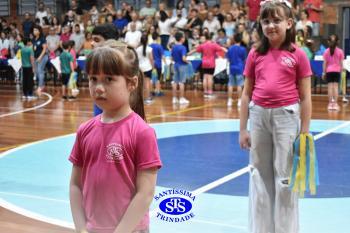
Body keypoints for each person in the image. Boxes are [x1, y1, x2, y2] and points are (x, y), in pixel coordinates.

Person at [69, 42, 162, 233]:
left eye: (109, 79)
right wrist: (80, 228)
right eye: (93, 79)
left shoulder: (142, 132)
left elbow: (145, 193)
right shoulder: (85, 130)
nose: (98, 88)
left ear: (132, 83)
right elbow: (75, 185)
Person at [239, 1, 312, 233]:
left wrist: (305, 133)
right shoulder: (255, 54)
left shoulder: (298, 55)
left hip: (287, 118)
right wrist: (243, 128)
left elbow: (306, 98)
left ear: (289, 23)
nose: (271, 26)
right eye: (266, 21)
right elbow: (245, 94)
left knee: (285, 179)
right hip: (258, 116)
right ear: (260, 24)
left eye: (277, 20)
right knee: (259, 176)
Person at [91, 23, 120, 116]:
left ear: (110, 42)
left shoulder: (121, 65)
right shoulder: (96, 61)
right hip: (100, 113)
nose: (92, 43)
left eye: (96, 40)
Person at [188, 32, 227, 98]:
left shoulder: (203, 45)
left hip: (204, 63)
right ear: (211, 38)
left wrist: (188, 54)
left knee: (205, 78)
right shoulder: (214, 45)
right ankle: (210, 91)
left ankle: (205, 91)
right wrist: (228, 51)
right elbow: (222, 48)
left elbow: (195, 50)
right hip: (211, 63)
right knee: (210, 78)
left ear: (205, 38)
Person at [322, 34, 346, 110]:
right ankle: (335, 104)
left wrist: (323, 72)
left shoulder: (326, 51)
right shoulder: (340, 51)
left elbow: (324, 63)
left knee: (329, 88)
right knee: (335, 88)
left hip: (329, 71)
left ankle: (330, 104)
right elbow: (341, 63)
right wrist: (342, 71)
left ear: (328, 42)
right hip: (337, 71)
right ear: (338, 42)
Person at [226, 33, 246, 107]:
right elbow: (244, 59)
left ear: (234, 40)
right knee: (239, 85)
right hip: (240, 68)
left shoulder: (230, 48)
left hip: (232, 68)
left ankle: (229, 100)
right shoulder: (242, 49)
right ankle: (239, 101)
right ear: (241, 40)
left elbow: (228, 58)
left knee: (230, 85)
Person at [171, 32, 190, 105]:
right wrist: (188, 62)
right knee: (182, 82)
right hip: (182, 65)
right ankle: (181, 98)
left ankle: (174, 98)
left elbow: (172, 58)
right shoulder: (183, 47)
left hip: (175, 65)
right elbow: (183, 58)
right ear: (182, 39)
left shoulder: (173, 47)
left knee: (175, 82)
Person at [136, 34, 154, 105]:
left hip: (140, 68)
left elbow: (136, 60)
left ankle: (141, 99)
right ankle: (147, 98)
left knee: (141, 84)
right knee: (147, 83)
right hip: (148, 67)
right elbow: (151, 59)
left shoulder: (137, 49)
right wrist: (153, 67)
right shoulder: (149, 49)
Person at [32, 25, 48, 96]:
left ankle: (40, 87)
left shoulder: (42, 38)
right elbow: (33, 49)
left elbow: (44, 49)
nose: (34, 31)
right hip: (35, 58)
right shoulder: (33, 39)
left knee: (40, 71)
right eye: (33, 30)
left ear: (39, 31)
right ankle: (42, 85)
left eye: (36, 30)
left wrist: (40, 57)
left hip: (43, 57)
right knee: (37, 72)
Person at [149, 32, 164, 97]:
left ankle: (151, 91)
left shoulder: (149, 46)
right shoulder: (159, 46)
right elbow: (162, 56)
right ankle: (157, 91)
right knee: (158, 78)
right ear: (158, 38)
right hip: (158, 64)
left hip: (150, 64)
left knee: (151, 78)